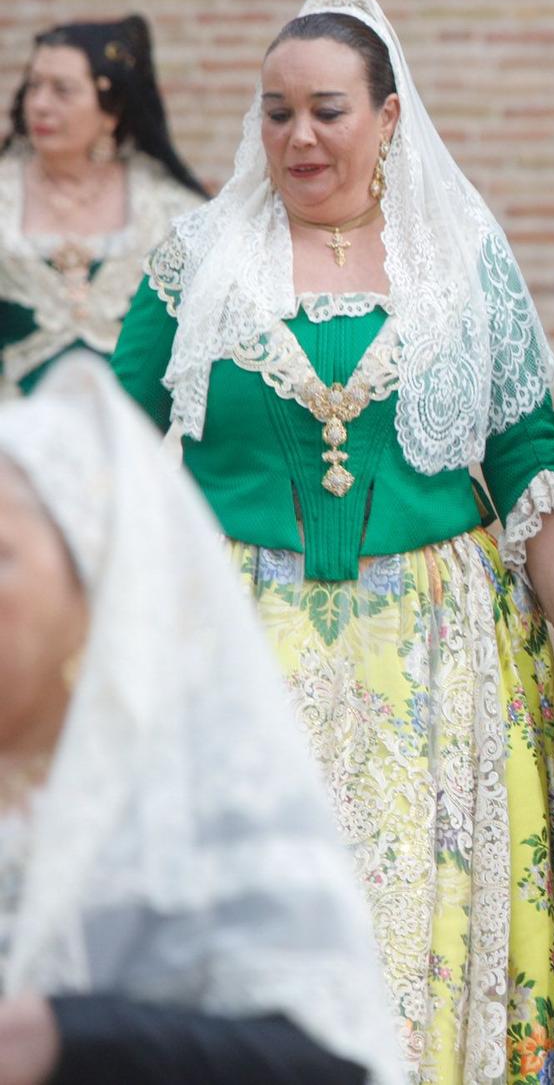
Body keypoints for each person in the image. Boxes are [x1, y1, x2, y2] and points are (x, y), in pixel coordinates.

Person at [110, 0, 554, 1084]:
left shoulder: (462, 263)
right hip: (235, 646)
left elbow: (528, 455)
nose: (298, 135)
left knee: (425, 936)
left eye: (326, 109)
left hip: (444, 657)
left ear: (387, 116)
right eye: (275, 110)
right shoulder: (198, 262)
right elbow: (105, 436)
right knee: (263, 935)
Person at [0, 354, 404, 1085]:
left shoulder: (202, 800)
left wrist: (64, 1036)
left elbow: (320, 1058)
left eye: (2, 555)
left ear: (90, 588)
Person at [0, 16, 205, 397]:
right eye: (34, 87)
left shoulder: (168, 210)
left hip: (131, 440)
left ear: (111, 111)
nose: (40, 105)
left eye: (63, 90)